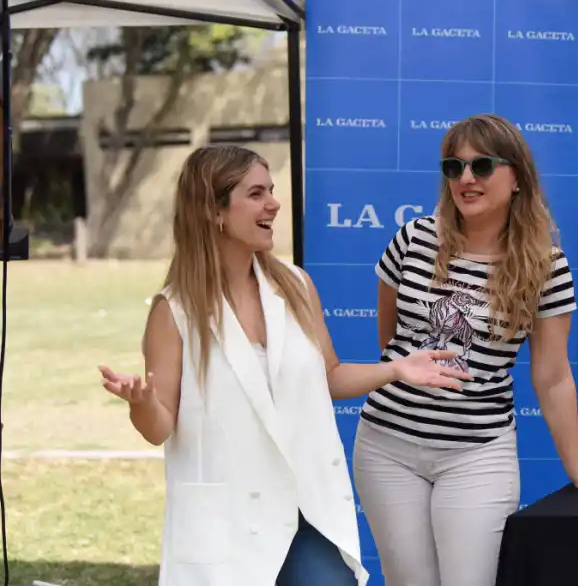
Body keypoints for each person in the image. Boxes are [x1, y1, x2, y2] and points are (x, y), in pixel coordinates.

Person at [97, 144, 471, 586]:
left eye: (271, 191)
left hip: (308, 511)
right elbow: (159, 427)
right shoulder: (174, 310)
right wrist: (141, 403)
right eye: (256, 194)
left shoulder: (295, 285)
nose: (274, 204)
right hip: (228, 521)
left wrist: (396, 369)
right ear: (213, 210)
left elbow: (329, 377)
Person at [352, 113, 578, 586]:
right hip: (386, 447)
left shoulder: (546, 266)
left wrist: (577, 469)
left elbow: (552, 376)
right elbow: (391, 341)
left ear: (516, 178)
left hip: (476, 455)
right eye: (454, 167)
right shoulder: (413, 238)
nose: (466, 178)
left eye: (482, 165)